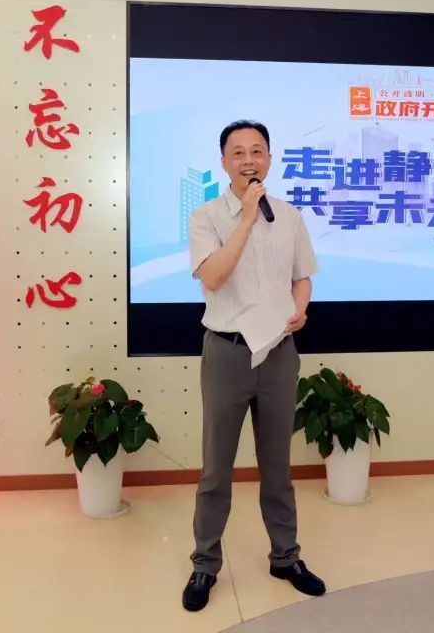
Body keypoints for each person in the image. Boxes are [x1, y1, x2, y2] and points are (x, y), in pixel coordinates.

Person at [181, 120, 325, 612]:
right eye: (238, 152)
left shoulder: (290, 215)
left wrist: (301, 308)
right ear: (224, 162)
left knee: (278, 467)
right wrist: (244, 218)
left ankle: (286, 557)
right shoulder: (205, 216)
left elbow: (302, 276)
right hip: (227, 353)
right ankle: (205, 564)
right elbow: (213, 278)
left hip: (279, 353)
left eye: (257, 151)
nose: (249, 160)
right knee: (216, 470)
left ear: (270, 158)